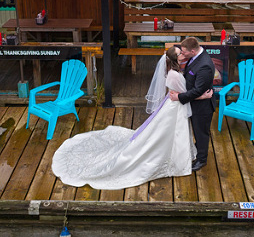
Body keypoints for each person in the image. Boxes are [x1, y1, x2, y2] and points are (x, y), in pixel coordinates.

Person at [51, 46, 212, 190]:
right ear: (175, 59)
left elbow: (181, 93)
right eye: (180, 53)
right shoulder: (174, 76)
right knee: (167, 133)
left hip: (175, 105)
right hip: (174, 106)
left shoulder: (175, 72)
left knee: (171, 133)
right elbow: (183, 95)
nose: (183, 54)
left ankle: (178, 155)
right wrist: (202, 97)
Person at [169, 37, 215, 172]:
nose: (182, 54)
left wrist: (179, 97)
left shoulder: (205, 65)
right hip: (194, 104)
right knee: (196, 131)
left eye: (184, 52)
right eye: (181, 52)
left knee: (201, 133)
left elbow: (197, 90)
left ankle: (202, 159)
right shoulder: (194, 57)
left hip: (203, 107)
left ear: (193, 51)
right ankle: (197, 150)